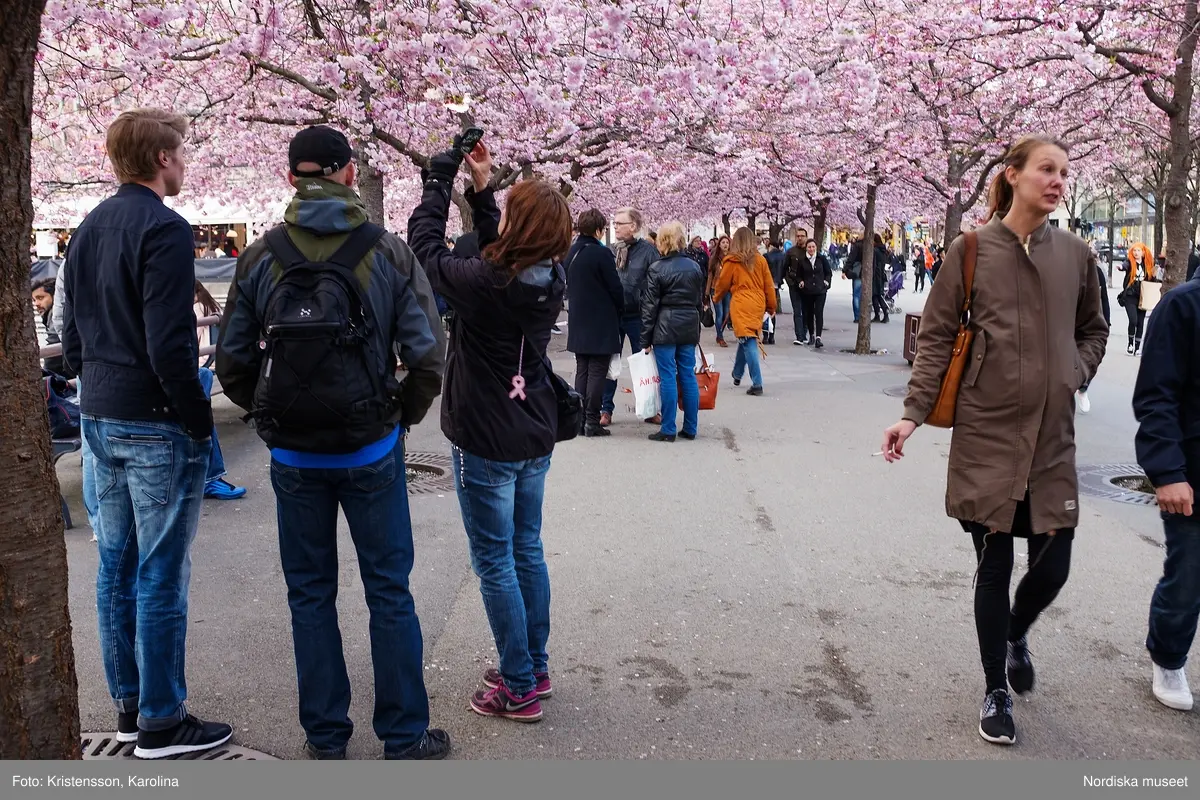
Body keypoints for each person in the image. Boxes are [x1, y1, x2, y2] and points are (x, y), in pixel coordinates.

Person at [216, 125, 450, 760]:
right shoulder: (389, 252)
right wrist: (399, 416)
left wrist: (272, 418)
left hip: (294, 457)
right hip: (370, 447)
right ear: (349, 174)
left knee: (309, 593)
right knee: (389, 591)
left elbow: (231, 363)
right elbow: (429, 356)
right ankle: (403, 736)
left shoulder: (261, 256)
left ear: (293, 177)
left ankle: (325, 735)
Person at [881, 135, 1107, 746]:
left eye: (1064, 171)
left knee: (1054, 562)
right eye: (1046, 169)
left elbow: (1095, 330)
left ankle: (1015, 631)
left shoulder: (1078, 255)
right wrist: (912, 414)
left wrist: (1074, 372)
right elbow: (934, 337)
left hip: (1052, 435)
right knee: (995, 557)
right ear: (1013, 175)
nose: (1058, 181)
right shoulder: (972, 249)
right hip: (986, 431)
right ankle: (994, 689)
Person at [61, 108, 230, 758]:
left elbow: (72, 334)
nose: (185, 162)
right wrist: (196, 420)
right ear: (161, 158)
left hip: (98, 413)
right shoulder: (164, 228)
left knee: (115, 569)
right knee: (161, 572)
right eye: (181, 153)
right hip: (155, 423)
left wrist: (95, 379)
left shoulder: (90, 228)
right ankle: (162, 720)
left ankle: (132, 710)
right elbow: (170, 342)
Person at [407, 140, 569, 725]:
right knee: (527, 549)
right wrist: (481, 193)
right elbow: (494, 249)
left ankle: (518, 686)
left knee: (495, 560)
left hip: (485, 434)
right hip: (532, 430)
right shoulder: (549, 276)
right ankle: (533, 664)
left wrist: (437, 182)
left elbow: (425, 251)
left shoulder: (486, 281)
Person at [1133, 279, 1200, 713]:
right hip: (1192, 475)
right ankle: (1169, 657)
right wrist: (1167, 471)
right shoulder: (1182, 305)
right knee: (1189, 576)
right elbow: (1156, 395)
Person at [641, 221, 704, 442]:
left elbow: (650, 307)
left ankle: (668, 428)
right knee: (687, 375)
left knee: (667, 376)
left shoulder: (657, 268)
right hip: (688, 324)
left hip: (664, 326)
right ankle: (691, 427)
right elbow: (699, 301)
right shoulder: (695, 267)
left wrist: (645, 338)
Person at [565, 209, 623, 437]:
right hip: (600, 320)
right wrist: (621, 306)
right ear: (598, 230)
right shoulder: (601, 254)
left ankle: (580, 420)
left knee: (582, 369)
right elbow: (615, 287)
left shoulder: (572, 252)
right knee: (597, 370)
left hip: (579, 318)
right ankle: (592, 420)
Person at [602, 207, 659, 424]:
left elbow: (655, 285)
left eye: (620, 223)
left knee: (643, 363)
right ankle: (605, 409)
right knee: (609, 362)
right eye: (614, 223)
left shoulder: (648, 251)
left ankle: (649, 408)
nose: (615, 227)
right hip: (613, 315)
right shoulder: (610, 250)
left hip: (638, 316)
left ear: (633, 226)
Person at [191, 282, 246, 501]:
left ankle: (210, 477)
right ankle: (211, 477)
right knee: (200, 390)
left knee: (201, 384)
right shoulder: (205, 306)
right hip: (201, 365)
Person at [713, 227, 777, 396]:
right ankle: (737, 372)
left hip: (740, 301)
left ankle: (757, 383)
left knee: (748, 340)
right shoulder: (760, 260)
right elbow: (769, 285)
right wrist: (771, 306)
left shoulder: (732, 261)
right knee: (747, 336)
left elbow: (722, 284)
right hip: (757, 302)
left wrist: (716, 297)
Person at [1075, 251, 1109, 414]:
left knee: (1087, 355)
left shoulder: (1096, 272)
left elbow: (1104, 298)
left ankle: (1083, 387)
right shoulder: (1067, 271)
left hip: (1087, 321)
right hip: (1067, 324)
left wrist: (1106, 321)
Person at [1118, 242, 1158, 356]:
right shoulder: (1130, 262)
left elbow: (1152, 280)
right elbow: (1125, 265)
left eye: (1138, 250)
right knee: (1133, 320)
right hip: (1130, 296)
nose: (1136, 253)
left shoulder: (1148, 264)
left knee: (1140, 322)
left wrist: (1154, 275)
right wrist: (1121, 267)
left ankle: (1137, 347)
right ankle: (1130, 343)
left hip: (1143, 296)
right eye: (1134, 250)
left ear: (1143, 252)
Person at [796, 239, 833, 349]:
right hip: (807, 291)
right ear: (806, 248)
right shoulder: (802, 260)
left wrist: (826, 283)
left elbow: (828, 273)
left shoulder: (821, 258)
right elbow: (798, 275)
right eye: (809, 247)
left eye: (813, 247)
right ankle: (811, 334)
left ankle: (818, 338)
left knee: (818, 312)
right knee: (809, 313)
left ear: (816, 247)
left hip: (820, 290)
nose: (811, 249)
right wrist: (800, 282)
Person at [32, 277, 68, 376]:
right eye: (34, 300)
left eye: (40, 298)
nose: (36, 304)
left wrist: (44, 375)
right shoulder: (51, 315)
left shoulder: (55, 314)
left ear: (54, 296)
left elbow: (54, 340)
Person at [705, 234, 733, 347]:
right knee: (720, 313)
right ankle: (720, 337)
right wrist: (707, 292)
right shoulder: (715, 258)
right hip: (715, 288)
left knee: (727, 313)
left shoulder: (733, 258)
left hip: (728, 289)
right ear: (719, 245)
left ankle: (719, 334)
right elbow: (710, 275)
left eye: (727, 242)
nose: (725, 244)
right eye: (723, 243)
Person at [783, 236, 809, 344]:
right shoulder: (791, 252)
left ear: (806, 237)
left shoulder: (809, 250)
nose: (800, 238)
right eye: (798, 236)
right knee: (797, 311)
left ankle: (805, 333)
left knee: (807, 311)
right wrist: (789, 282)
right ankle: (799, 336)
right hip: (794, 285)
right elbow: (785, 268)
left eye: (802, 236)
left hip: (808, 286)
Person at [763, 241, 786, 344]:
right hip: (776, 284)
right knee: (772, 310)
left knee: (765, 310)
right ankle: (772, 336)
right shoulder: (783, 256)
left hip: (766, 284)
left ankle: (765, 335)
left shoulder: (766, 256)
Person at [843, 236, 864, 322]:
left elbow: (851, 259)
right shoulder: (871, 245)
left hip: (858, 272)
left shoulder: (857, 246)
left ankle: (857, 316)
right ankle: (862, 315)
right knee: (862, 295)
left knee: (856, 295)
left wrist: (845, 270)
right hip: (868, 273)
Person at [870, 234, 890, 323]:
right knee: (877, 295)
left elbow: (874, 264)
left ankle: (882, 313)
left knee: (876, 295)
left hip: (876, 275)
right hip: (881, 275)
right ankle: (882, 314)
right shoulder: (882, 250)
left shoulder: (875, 250)